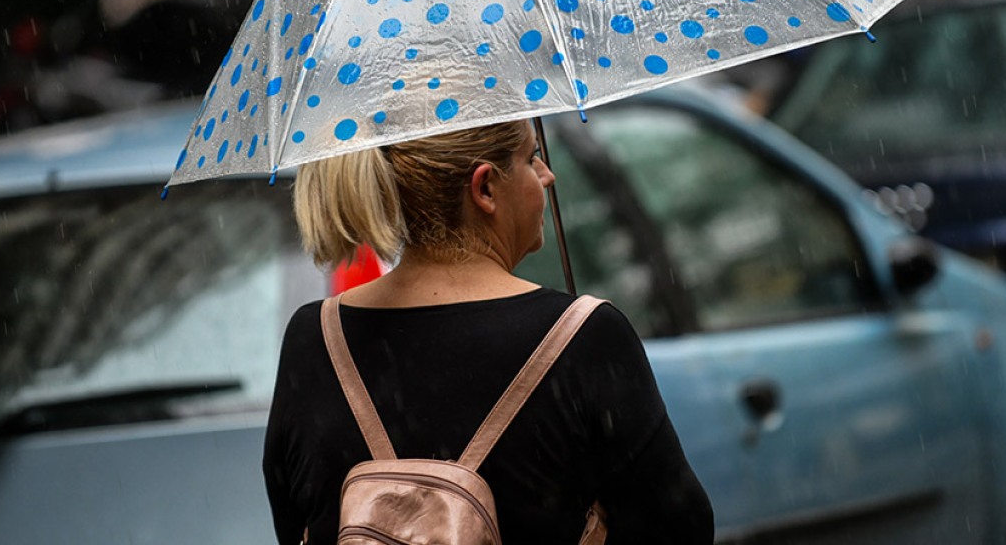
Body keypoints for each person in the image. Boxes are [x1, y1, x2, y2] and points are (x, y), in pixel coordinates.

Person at [263, 119, 714, 545]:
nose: (547, 175)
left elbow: (296, 524)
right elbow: (680, 529)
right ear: (485, 189)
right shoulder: (585, 337)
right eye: (531, 157)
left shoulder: (315, 338)